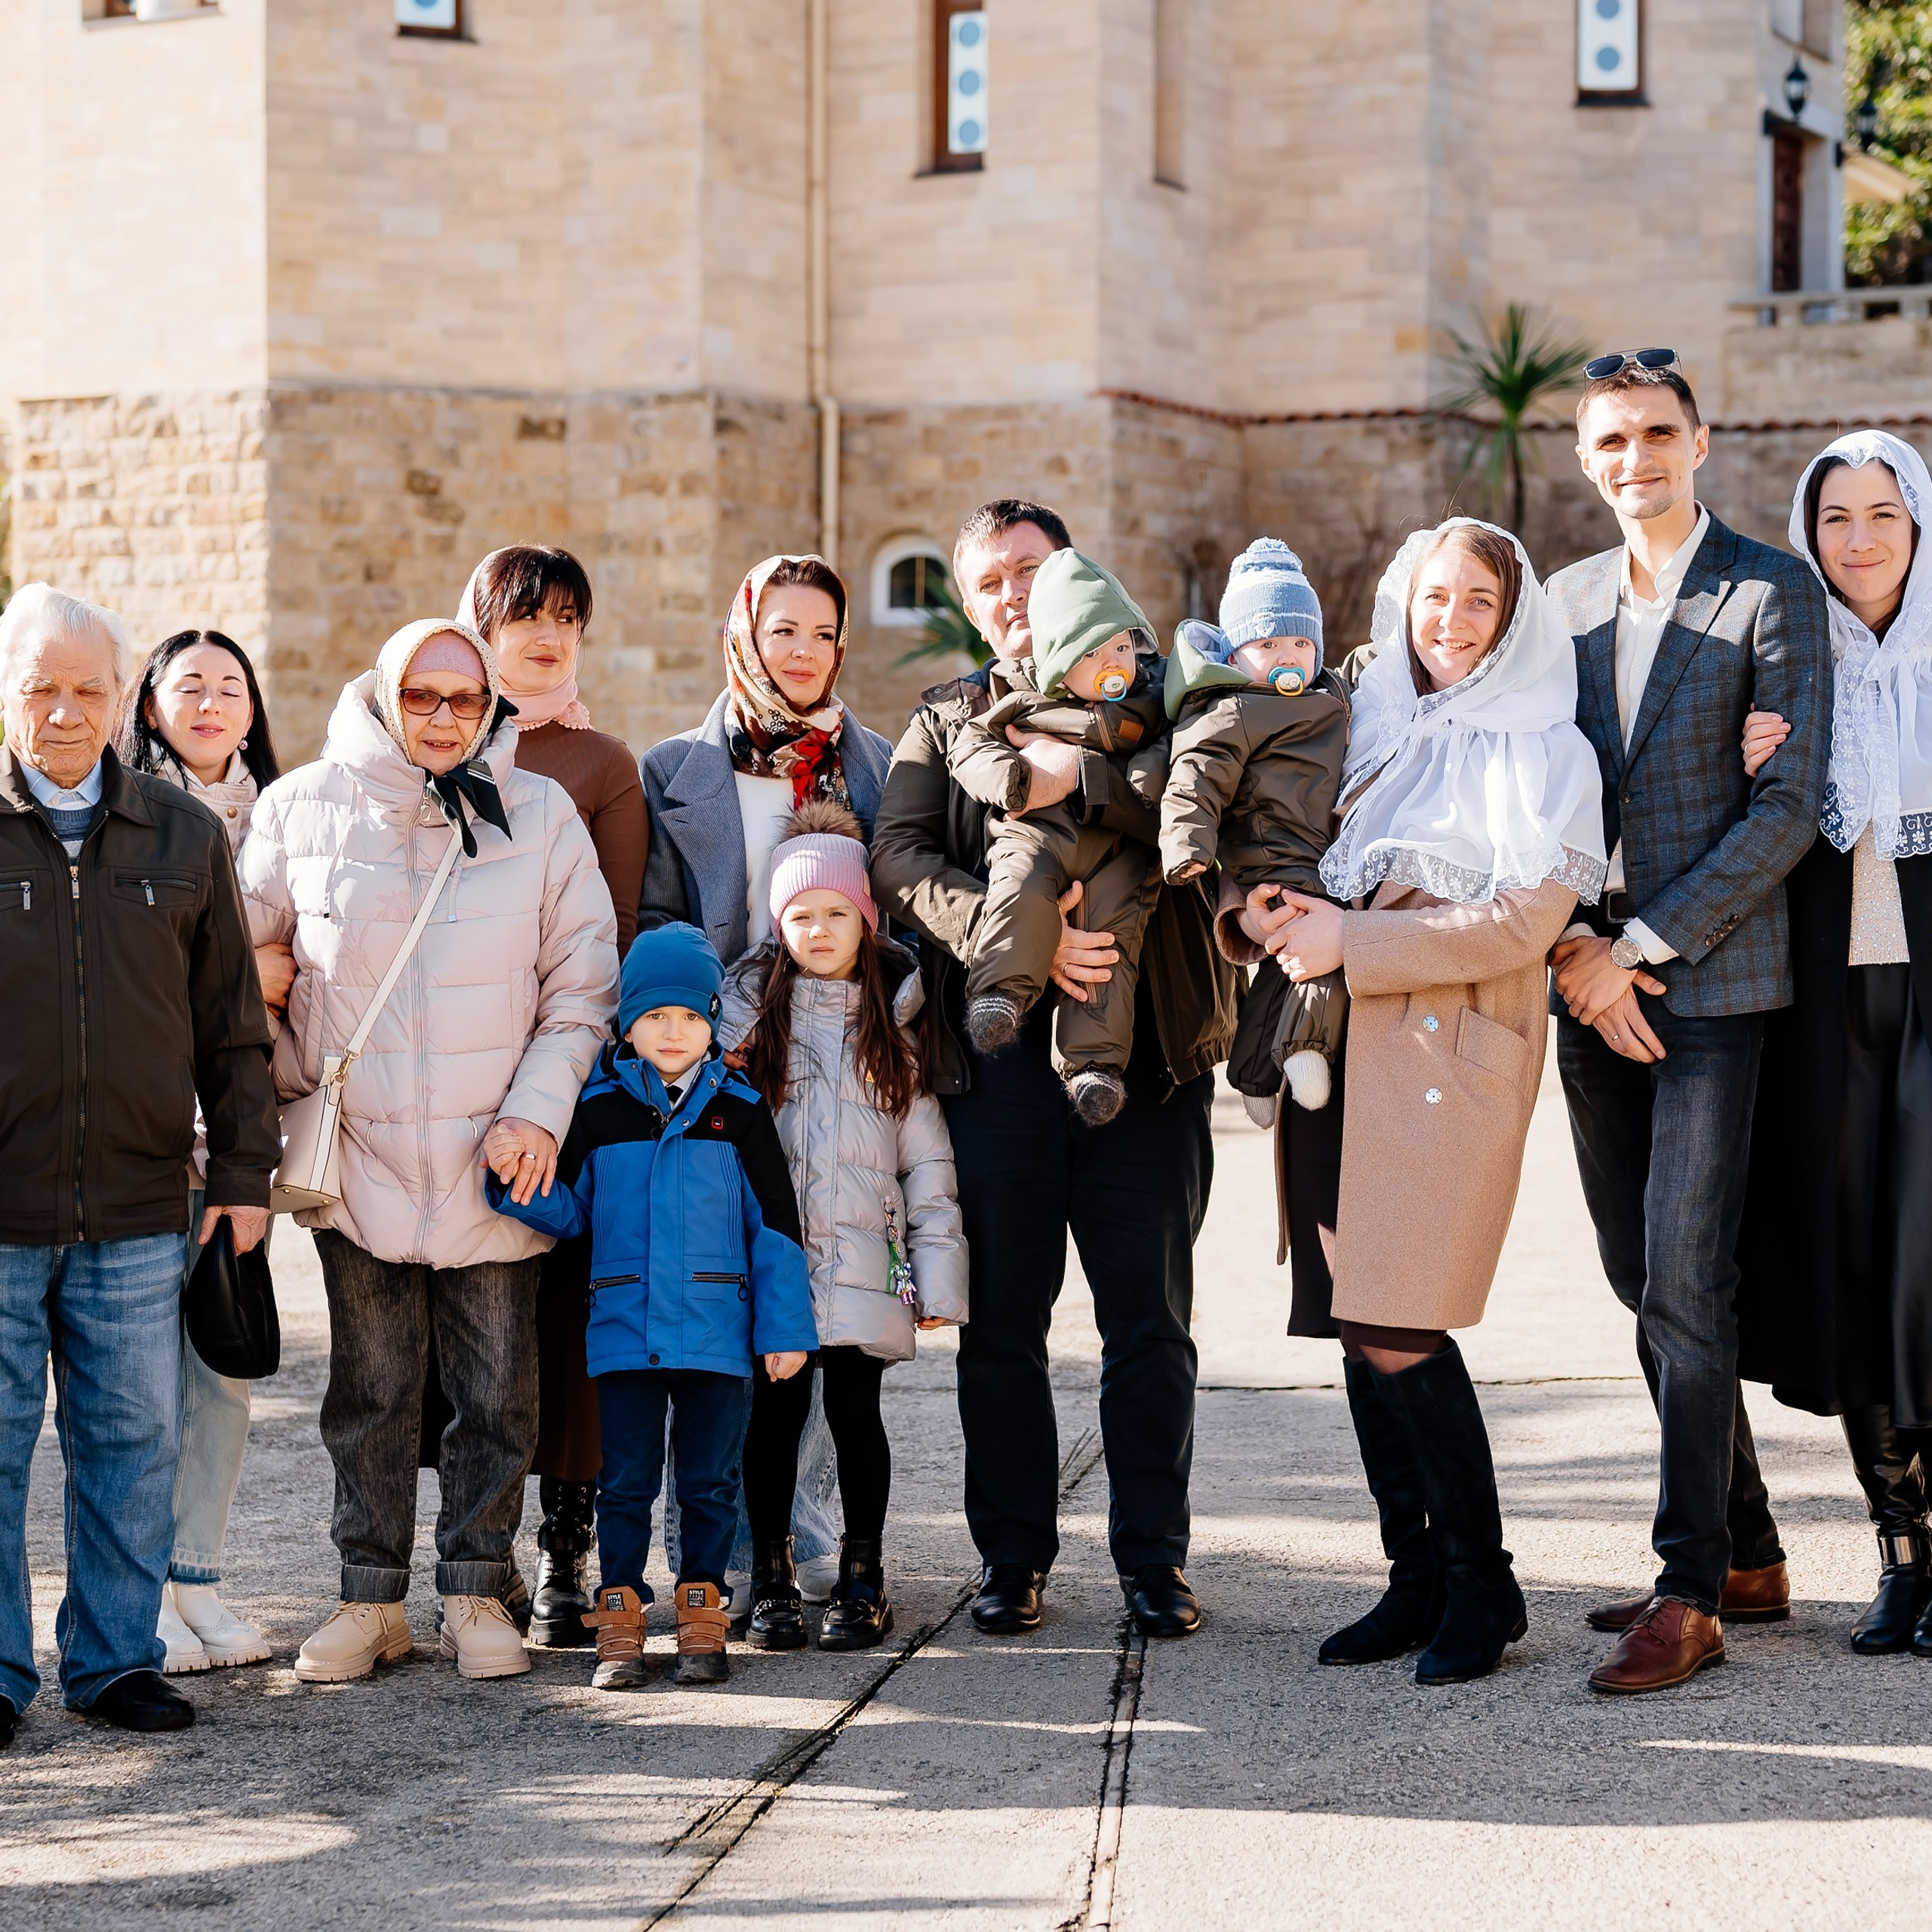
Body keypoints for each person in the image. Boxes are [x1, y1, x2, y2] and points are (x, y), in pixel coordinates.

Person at [870, 500, 1238, 1641]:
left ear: (1073, 572)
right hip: (999, 1077)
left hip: (1150, 1063)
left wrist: (1070, 781)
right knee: (1002, 1330)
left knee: (1149, 1325)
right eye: (990, 581)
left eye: (1030, 569)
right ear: (969, 605)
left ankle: (1154, 1563)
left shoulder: (1163, 695)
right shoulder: (945, 718)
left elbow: (1192, 800)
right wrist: (1022, 936)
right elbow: (896, 856)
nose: (1013, 593)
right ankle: (1012, 1559)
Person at [1250, 520, 1604, 1685]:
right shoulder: (1367, 724)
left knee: (1403, 1320)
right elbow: (1280, 839)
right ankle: (1414, 1579)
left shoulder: (1549, 751)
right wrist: (1261, 910)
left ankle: (1483, 1582)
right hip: (1337, 1049)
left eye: (1479, 602)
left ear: (1512, 620)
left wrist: (1352, 941)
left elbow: (1521, 924)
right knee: (1358, 1322)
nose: (1450, 621)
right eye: (1434, 597)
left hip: (1448, 1055)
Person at [239, 618, 618, 1686]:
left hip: (493, 1159)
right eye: (423, 695)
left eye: (466, 698)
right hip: (357, 1157)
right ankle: (369, 1600)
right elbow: (230, 963)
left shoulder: (539, 813)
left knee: (497, 1392)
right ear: (383, 693)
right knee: (369, 1393)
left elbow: (582, 984)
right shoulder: (298, 807)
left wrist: (537, 1115)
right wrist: (272, 1038)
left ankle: (476, 1587)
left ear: (491, 706)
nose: (445, 717)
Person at [1546, 352, 1830, 1695]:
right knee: (1634, 1279)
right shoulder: (1560, 603)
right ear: (1584, 457)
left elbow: (1788, 807)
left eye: (1657, 433)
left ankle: (1689, 1588)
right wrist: (1573, 947)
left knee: (1688, 1281)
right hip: (1583, 979)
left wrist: (1641, 947)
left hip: (1707, 982)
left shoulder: (1773, 589)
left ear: (1700, 441)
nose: (1635, 459)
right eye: (1611, 440)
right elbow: (1527, 793)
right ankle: (1752, 1554)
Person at [0, 585, 279, 1742]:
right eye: (41, 689)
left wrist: (245, 1180)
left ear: (123, 700)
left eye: (87, 689)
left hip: (140, 1203)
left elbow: (232, 1029)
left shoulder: (184, 834)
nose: (65, 712)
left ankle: (115, 1661)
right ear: (6, 695)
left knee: (131, 1444)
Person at [638, 552, 892, 1601]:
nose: (803, 651)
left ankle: (804, 1530)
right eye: (782, 629)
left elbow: (898, 922)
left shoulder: (873, 767)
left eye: (822, 632)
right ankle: (726, 1547)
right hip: (714, 1071)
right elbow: (654, 923)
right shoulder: (672, 771)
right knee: (718, 1311)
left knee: (820, 1306)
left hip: (833, 1066)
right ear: (744, 636)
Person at [490, 923, 817, 1689]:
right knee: (626, 1485)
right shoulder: (599, 1111)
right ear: (627, 1025)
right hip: (625, 1333)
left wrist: (784, 1329)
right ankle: (622, 1623)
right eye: (655, 1016)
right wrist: (515, 1187)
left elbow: (775, 1229)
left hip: (716, 1334)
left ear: (713, 1023)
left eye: (691, 1017)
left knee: (709, 1484)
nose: (674, 1032)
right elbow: (573, 1213)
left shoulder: (740, 1112)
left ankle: (702, 1618)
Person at [1733, 432, 1932, 1655]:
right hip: (1822, 1009)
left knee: (1923, 1264)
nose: (1859, 540)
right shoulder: (1785, 667)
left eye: (1883, 515)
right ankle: (1902, 1556)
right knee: (1853, 1267)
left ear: (1919, 528)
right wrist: (1751, 760)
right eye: (1836, 518)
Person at [452, 545, 649, 1649]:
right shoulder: (431, 739)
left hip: (563, 1080)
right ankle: (473, 1559)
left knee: (569, 1319)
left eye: (566, 619)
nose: (546, 636)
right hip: (442, 1080)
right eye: (523, 616)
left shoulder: (600, 762)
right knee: (470, 1330)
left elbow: (608, 932)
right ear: (479, 630)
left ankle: (566, 1550)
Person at [721, 803, 969, 1652]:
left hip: (868, 1259)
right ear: (776, 927)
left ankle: (864, 1577)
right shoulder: (748, 1029)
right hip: (775, 1265)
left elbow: (927, 1166)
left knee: (857, 1415)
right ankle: (771, 1578)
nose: (820, 931)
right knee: (774, 1416)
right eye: (801, 916)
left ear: (867, 920)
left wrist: (938, 1280)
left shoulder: (895, 1030)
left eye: (837, 913)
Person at [118, 629, 290, 1676]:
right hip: (142, 1138)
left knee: (222, 1366)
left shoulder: (285, 815)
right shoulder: (125, 817)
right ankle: (140, 1594)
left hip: (237, 1137)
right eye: (190, 685)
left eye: (233, 686)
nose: (213, 702)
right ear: (150, 705)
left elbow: (303, 961)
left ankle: (198, 1578)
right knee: (136, 1382)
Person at [945, 547, 1169, 1124]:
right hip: (1039, 833)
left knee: (1111, 944)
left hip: (1117, 849)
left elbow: (1177, 770)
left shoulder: (1155, 700)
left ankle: (1094, 1067)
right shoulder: (1024, 698)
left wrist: (1089, 771)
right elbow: (970, 747)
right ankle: (1000, 992)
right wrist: (1015, 782)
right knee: (1019, 887)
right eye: (1093, 652)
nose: (1114, 663)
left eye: (1123, 647)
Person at [1161, 539, 1351, 1120]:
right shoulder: (1234, 709)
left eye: (1301, 643)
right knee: (1323, 944)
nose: (1288, 655)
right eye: (1268, 645)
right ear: (1236, 655)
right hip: (1276, 854)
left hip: (1330, 852)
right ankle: (1304, 1048)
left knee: (1283, 962)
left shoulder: (1333, 694)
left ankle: (1252, 1074)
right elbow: (1195, 773)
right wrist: (1188, 844)